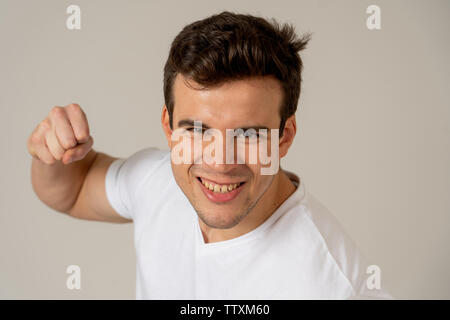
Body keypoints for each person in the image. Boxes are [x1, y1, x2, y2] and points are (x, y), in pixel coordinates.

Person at [27, 11, 392, 299]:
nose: (219, 162)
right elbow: (71, 192)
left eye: (248, 133)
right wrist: (52, 155)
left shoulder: (331, 286)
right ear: (169, 128)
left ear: (285, 136)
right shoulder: (157, 180)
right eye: (198, 130)